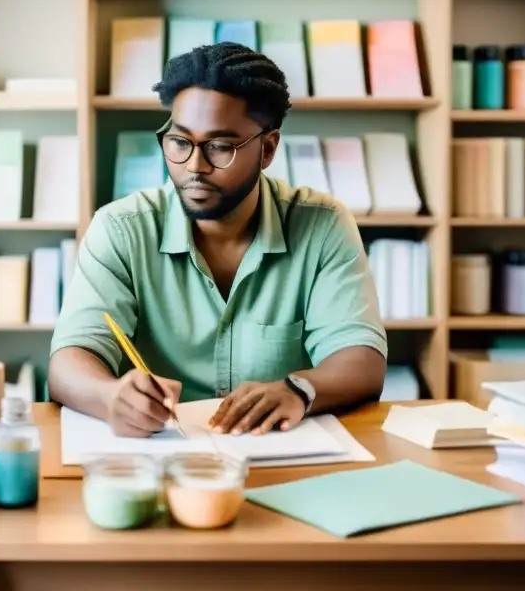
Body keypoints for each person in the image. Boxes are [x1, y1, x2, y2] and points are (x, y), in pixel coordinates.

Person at [48, 42, 387, 438]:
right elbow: (69, 360)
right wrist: (109, 396)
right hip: (157, 458)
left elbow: (361, 358)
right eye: (179, 142)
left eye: (220, 147)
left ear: (268, 149)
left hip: (278, 455)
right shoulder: (120, 228)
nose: (195, 165)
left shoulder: (323, 225)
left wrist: (300, 389)